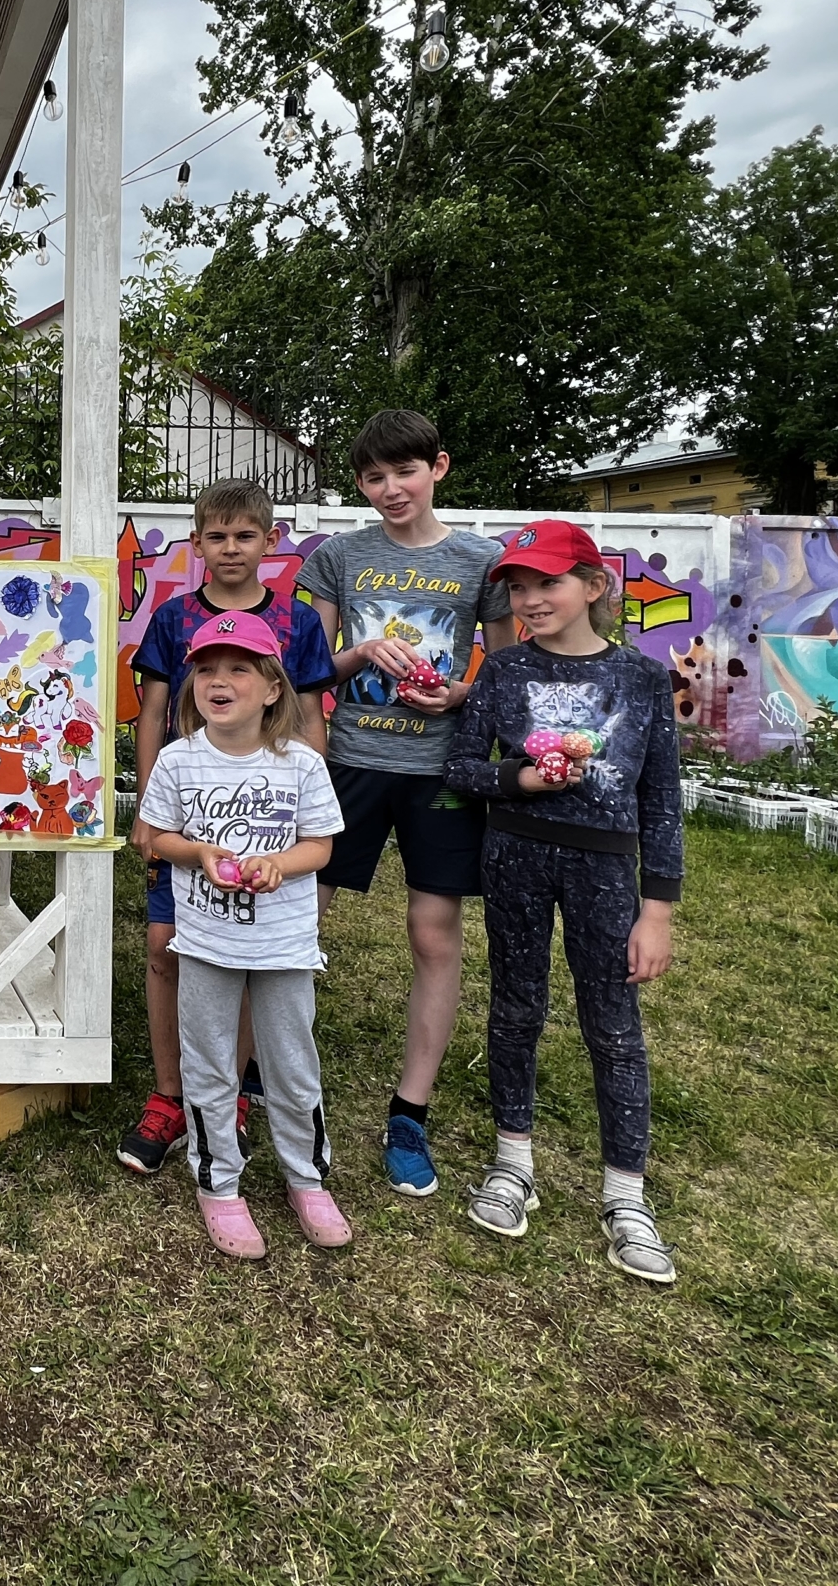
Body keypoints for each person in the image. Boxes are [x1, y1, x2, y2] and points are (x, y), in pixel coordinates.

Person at [443, 518, 683, 1286]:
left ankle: (627, 1194)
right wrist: (518, 779)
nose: (531, 599)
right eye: (518, 586)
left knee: (612, 1026)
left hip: (606, 873)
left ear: (593, 586)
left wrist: (658, 909)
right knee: (516, 1009)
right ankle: (513, 1162)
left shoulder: (643, 681)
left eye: (547, 583)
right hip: (513, 857)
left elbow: (663, 802)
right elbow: (460, 768)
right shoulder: (504, 672)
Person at [304, 409, 515, 1199]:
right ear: (359, 484)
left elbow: (504, 671)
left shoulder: (482, 562)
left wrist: (458, 691)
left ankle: (409, 1113)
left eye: (405, 472)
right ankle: (265, 1080)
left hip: (441, 773)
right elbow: (308, 669)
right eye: (373, 477)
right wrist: (359, 653)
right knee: (302, 920)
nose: (391, 489)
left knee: (433, 935)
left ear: (439, 467)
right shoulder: (338, 557)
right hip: (350, 765)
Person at [117, 479, 335, 1177]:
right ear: (198, 543)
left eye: (246, 535)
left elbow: (309, 721)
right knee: (164, 945)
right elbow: (151, 715)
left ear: (269, 542)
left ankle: (233, 1095)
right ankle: (170, 1096)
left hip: (266, 826)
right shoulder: (174, 617)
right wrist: (153, 812)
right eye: (217, 536)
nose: (231, 548)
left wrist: (299, 808)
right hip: (186, 818)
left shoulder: (297, 623)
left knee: (248, 958)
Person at [133, 611, 348, 1259]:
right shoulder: (177, 761)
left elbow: (321, 847)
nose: (217, 680)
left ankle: (305, 1179)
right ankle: (218, 1183)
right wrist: (197, 855)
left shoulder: (301, 766)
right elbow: (159, 836)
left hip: (283, 947)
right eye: (205, 668)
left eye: (238, 668)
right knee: (208, 1067)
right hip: (206, 946)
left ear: (274, 687)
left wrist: (276, 865)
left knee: (291, 1065)